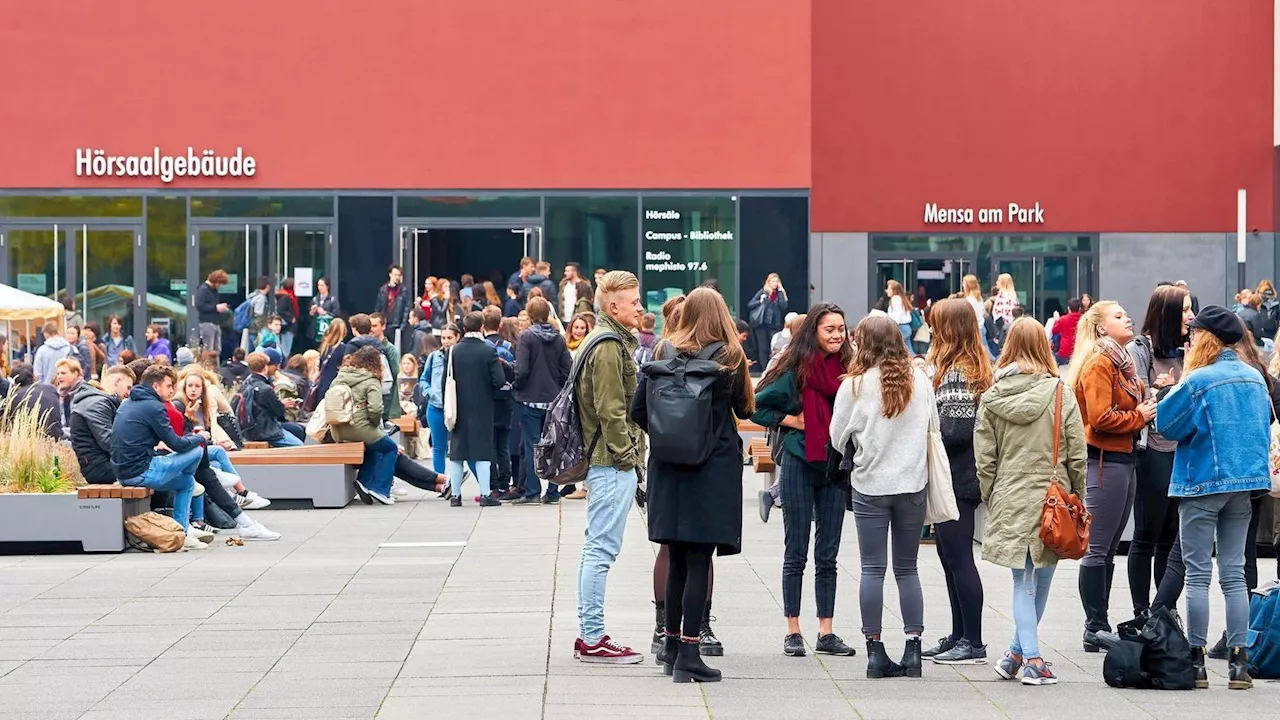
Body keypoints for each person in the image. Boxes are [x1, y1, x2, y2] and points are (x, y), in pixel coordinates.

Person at [630, 287, 753, 683]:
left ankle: (668, 646)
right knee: (699, 558)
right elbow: (744, 408)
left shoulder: (662, 350)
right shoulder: (729, 355)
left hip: (668, 467)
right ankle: (688, 654)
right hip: (711, 468)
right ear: (721, 314)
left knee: (675, 555)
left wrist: (670, 436)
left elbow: (638, 411)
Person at [1155, 305, 1270, 690]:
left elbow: (1166, 424)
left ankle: (1197, 661)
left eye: (1193, 335)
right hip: (1243, 486)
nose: (1188, 341)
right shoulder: (1254, 378)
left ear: (1205, 338)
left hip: (1202, 482)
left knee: (1199, 576)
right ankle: (1240, 664)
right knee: (1234, 575)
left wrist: (1180, 381)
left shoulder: (1200, 379)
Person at [975, 317, 1087, 686]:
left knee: (1024, 581)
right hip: (1052, 500)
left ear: (1008, 345)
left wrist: (992, 494)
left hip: (1010, 494)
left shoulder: (992, 397)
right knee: (1039, 580)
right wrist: (1079, 496)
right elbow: (1076, 453)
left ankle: (1016, 653)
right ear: (1045, 346)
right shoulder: (1060, 392)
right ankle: (1033, 660)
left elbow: (985, 458)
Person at [830, 314, 936, 678]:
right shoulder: (920, 381)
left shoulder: (854, 386)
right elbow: (931, 428)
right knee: (908, 568)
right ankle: (914, 649)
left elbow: (836, 437)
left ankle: (874, 651)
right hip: (912, 483)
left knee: (872, 569)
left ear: (863, 344)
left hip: (870, 485)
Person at [753, 304, 859, 659]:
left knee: (828, 554)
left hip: (833, 466)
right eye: (829, 328)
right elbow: (754, 405)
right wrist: (790, 420)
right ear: (813, 331)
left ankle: (826, 631)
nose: (836, 335)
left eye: (841, 328)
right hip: (800, 461)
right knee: (795, 550)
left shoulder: (850, 370)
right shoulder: (795, 369)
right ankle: (793, 629)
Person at [1066, 300, 1153, 651]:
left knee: (1108, 546)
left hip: (1123, 458)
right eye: (1118, 316)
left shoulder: (1120, 362)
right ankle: (1095, 625)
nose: (1127, 317)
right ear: (1101, 328)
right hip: (1104, 460)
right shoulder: (1100, 363)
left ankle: (1097, 624)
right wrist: (1140, 416)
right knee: (1099, 547)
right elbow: (1101, 417)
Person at [573, 270, 646, 664]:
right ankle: (593, 636)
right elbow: (611, 410)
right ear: (612, 305)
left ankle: (590, 633)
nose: (640, 307)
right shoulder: (607, 346)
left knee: (596, 550)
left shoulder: (609, 341)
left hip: (606, 462)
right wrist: (626, 458)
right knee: (600, 551)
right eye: (634, 301)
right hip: (609, 462)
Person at [919, 299, 991, 665]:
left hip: (957, 476)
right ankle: (960, 634)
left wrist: (922, 430)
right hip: (963, 475)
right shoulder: (967, 365)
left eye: (936, 324)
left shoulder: (955, 371)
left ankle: (973, 641)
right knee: (950, 556)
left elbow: (956, 429)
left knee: (959, 557)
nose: (930, 329)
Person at [1125, 284, 1194, 617]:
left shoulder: (1185, 351)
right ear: (1166, 313)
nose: (1190, 316)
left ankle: (1163, 610)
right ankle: (1141, 612)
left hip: (1181, 452)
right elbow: (1138, 401)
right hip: (1151, 451)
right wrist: (1163, 390)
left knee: (1171, 537)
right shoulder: (1141, 350)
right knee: (1146, 536)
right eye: (1184, 310)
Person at [111, 364, 208, 549]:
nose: (172, 390)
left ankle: (182, 532)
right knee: (197, 450)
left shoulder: (129, 402)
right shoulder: (154, 406)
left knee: (185, 484)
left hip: (123, 473)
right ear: (156, 386)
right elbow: (176, 444)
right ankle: (190, 484)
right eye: (169, 385)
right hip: (142, 472)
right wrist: (200, 437)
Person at [512, 296, 572, 505]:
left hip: (530, 399)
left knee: (531, 445)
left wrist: (517, 387)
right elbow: (567, 368)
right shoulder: (558, 337)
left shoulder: (526, 337)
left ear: (529, 315)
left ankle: (532, 491)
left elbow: (521, 370)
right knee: (554, 445)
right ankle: (553, 491)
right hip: (553, 399)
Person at [444, 312, 505, 507]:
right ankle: (486, 494)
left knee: (457, 450)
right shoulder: (488, 351)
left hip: (458, 406)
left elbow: (447, 377)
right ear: (481, 327)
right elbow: (499, 380)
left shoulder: (454, 351)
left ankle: (455, 495)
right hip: (482, 406)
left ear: (463, 329)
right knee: (482, 451)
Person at [328, 346, 400, 505]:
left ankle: (364, 482)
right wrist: (374, 425)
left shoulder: (340, 376)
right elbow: (375, 409)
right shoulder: (371, 380)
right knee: (390, 448)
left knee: (374, 447)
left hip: (338, 429)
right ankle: (381, 489)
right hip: (359, 427)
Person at [71, 365, 136, 485]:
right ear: (117, 381)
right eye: (128, 387)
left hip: (102, 465)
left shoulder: (99, 401)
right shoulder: (97, 403)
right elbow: (109, 441)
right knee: (155, 472)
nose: (128, 393)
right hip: (101, 468)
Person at [481, 306, 516, 500]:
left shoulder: (482, 348)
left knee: (490, 446)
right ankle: (505, 483)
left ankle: (493, 484)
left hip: (488, 401)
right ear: (500, 324)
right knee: (503, 446)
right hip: (506, 400)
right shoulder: (509, 348)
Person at [240, 349, 303, 447]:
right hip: (266, 430)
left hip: (247, 430)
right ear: (265, 367)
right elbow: (279, 412)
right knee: (299, 445)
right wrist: (282, 405)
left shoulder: (245, 384)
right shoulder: (265, 389)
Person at [419, 324, 459, 476]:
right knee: (438, 446)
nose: (446, 341)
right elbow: (424, 378)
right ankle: (440, 480)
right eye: (443, 338)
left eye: (449, 338)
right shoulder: (434, 357)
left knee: (458, 446)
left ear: (457, 338)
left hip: (456, 407)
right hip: (435, 406)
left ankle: (458, 479)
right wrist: (429, 392)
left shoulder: (459, 356)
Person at [7, 362, 63, 438]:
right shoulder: (51, 389)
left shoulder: (15, 397)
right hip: (56, 438)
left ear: (15, 382)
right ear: (34, 377)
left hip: (30, 441)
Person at [747, 273, 789, 369]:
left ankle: (773, 369)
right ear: (768, 282)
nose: (775, 283)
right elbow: (750, 304)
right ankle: (764, 369)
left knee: (775, 347)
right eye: (773, 281)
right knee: (763, 348)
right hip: (761, 324)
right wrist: (760, 301)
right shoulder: (763, 292)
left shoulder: (779, 293)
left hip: (775, 324)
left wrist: (782, 292)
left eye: (776, 281)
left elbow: (784, 306)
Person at [369, 313, 403, 421]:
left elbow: (395, 373)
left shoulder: (390, 349)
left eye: (375, 326)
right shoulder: (367, 347)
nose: (371, 329)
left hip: (387, 401)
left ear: (383, 326)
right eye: (370, 326)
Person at [195, 269, 231, 357]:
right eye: (220, 284)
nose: (220, 286)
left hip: (215, 322)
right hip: (207, 323)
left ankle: (214, 368)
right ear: (216, 281)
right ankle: (208, 368)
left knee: (217, 349)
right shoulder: (203, 289)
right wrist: (216, 307)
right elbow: (199, 305)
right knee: (209, 350)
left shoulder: (213, 290)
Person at [374, 264, 412, 342]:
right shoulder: (383, 289)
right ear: (390, 274)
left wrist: (402, 326)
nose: (397, 277)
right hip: (385, 324)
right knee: (384, 344)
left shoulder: (403, 290)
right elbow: (378, 307)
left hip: (397, 325)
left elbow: (407, 308)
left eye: (399, 275)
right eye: (395, 275)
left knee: (396, 347)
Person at [884, 279, 915, 351]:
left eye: (889, 289)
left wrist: (893, 325)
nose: (887, 291)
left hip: (900, 327)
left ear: (894, 290)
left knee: (896, 348)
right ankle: (914, 361)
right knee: (908, 349)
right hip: (906, 327)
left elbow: (898, 313)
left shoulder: (895, 299)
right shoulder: (901, 299)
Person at [1051, 298, 1083, 365]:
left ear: (1068, 308)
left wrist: (1056, 320)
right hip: (1079, 351)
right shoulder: (1084, 319)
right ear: (1080, 309)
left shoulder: (1063, 319)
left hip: (1064, 352)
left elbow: (1054, 331)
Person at [275, 277, 300, 357]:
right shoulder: (286, 297)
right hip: (288, 327)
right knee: (285, 349)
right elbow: (280, 310)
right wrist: (291, 317)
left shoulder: (290, 296)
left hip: (288, 327)